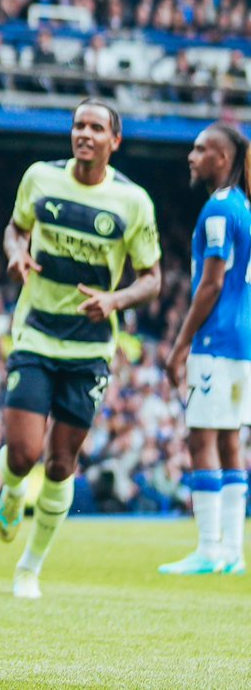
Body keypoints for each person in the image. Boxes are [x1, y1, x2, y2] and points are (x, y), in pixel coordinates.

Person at [0, 98, 162, 599]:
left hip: (90, 347)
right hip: (36, 332)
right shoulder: (40, 178)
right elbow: (15, 228)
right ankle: (10, 488)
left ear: (114, 141)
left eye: (95, 127)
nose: (83, 134)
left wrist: (116, 299)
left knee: (61, 463)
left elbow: (152, 278)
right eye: (77, 125)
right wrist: (15, 253)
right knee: (23, 455)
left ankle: (30, 568)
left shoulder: (133, 202)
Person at [160, 124, 251, 576]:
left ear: (221, 157)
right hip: (242, 343)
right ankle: (232, 552)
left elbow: (211, 282)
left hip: (214, 342)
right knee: (231, 441)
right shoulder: (244, 207)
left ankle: (209, 549)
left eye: (200, 149)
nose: (191, 156)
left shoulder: (218, 210)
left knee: (202, 438)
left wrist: (180, 345)